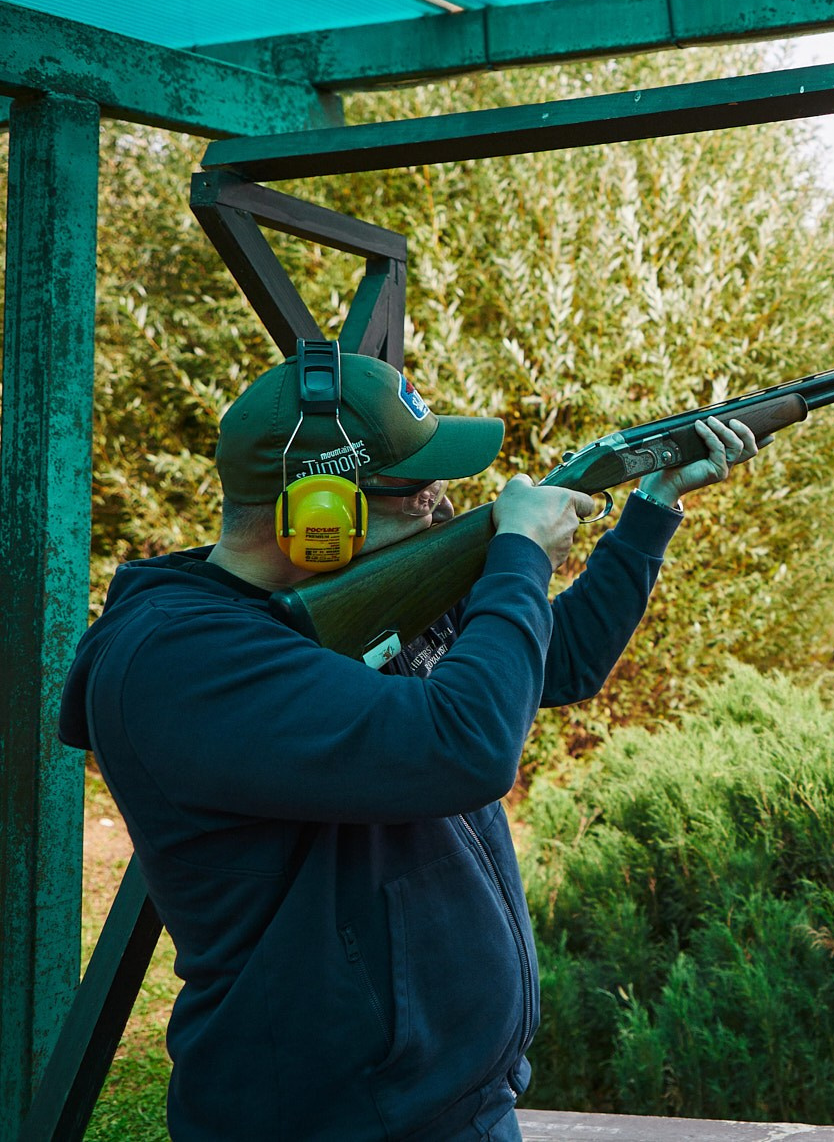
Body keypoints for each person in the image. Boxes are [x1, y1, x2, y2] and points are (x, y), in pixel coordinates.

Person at [58, 348, 764, 1141]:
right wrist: (520, 557)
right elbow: (466, 746)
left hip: (455, 1103)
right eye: (416, 488)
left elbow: (556, 661)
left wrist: (652, 507)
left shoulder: (363, 592)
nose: (440, 503)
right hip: (333, 1123)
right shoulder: (181, 660)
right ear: (319, 511)